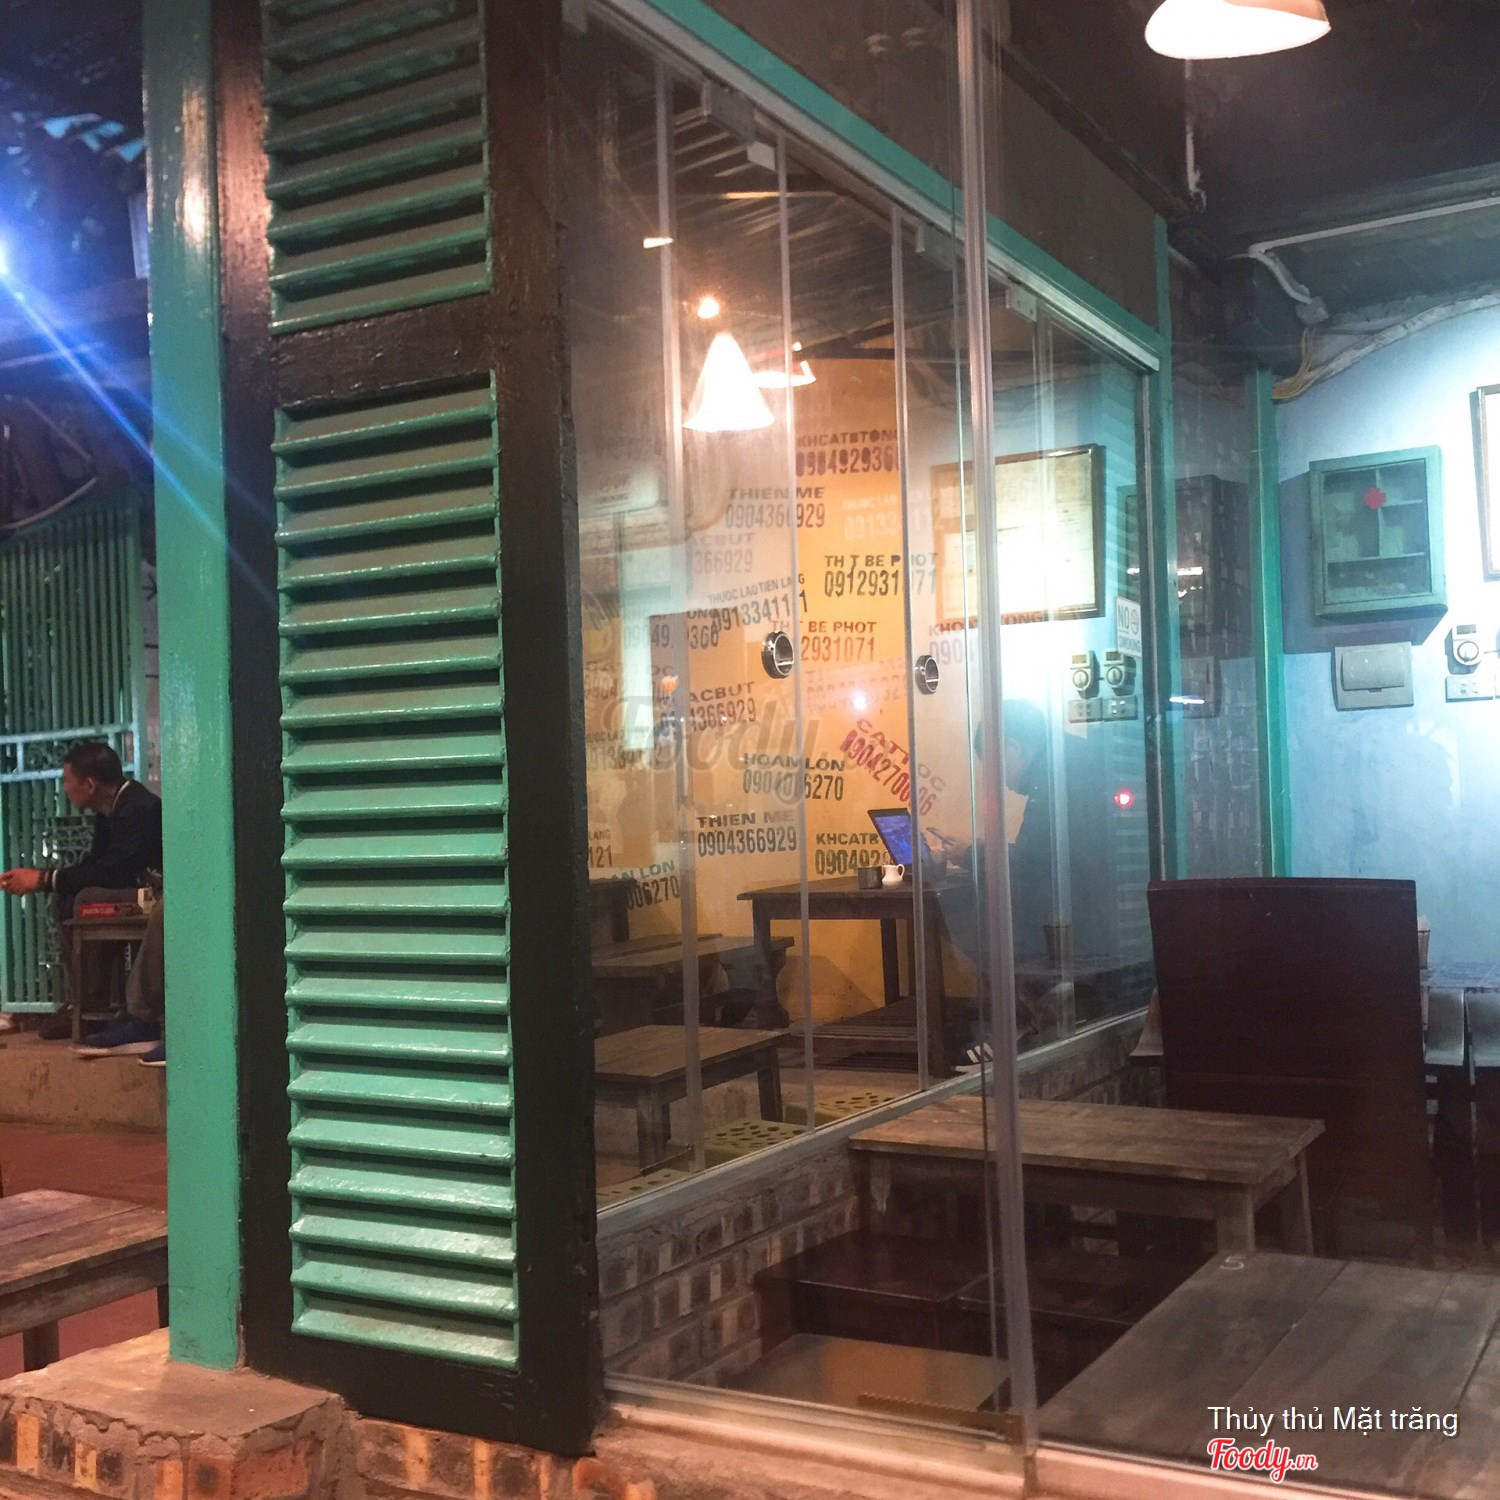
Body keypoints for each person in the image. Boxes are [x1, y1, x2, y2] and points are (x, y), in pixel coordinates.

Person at [0, 741, 165, 1056]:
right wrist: (51, 880)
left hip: (152, 892)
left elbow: (115, 871)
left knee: (85, 897)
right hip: (133, 887)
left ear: (89, 784)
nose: (64, 789)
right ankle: (86, 1002)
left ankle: (116, 1011)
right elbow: (96, 864)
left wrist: (44, 879)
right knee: (69, 897)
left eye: (67, 781)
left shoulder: (137, 807)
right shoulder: (110, 808)